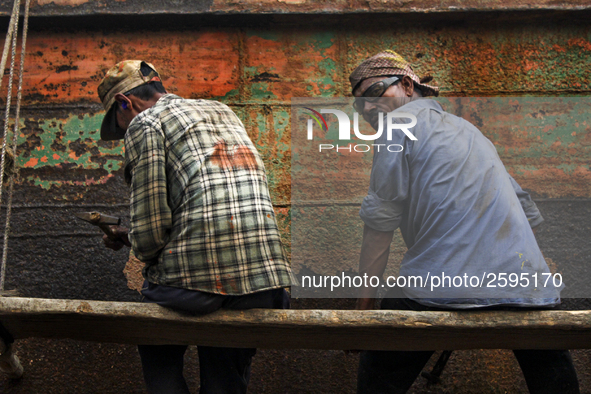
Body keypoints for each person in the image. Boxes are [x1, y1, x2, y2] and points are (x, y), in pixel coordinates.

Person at [350, 50, 579, 393]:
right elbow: (526, 211)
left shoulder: (396, 127)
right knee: (551, 370)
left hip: (438, 288)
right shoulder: (469, 130)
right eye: (358, 104)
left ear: (407, 85)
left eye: (373, 93)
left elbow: (380, 225)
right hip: (528, 288)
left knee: (380, 370)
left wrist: (360, 318)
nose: (366, 108)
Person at [96, 60, 292, 394]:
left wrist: (135, 241)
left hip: (197, 289)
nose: (125, 130)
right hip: (266, 285)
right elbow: (211, 206)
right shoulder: (222, 110)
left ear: (124, 103)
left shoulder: (145, 123)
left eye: (120, 123)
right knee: (225, 374)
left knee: (153, 342)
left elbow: (151, 234)